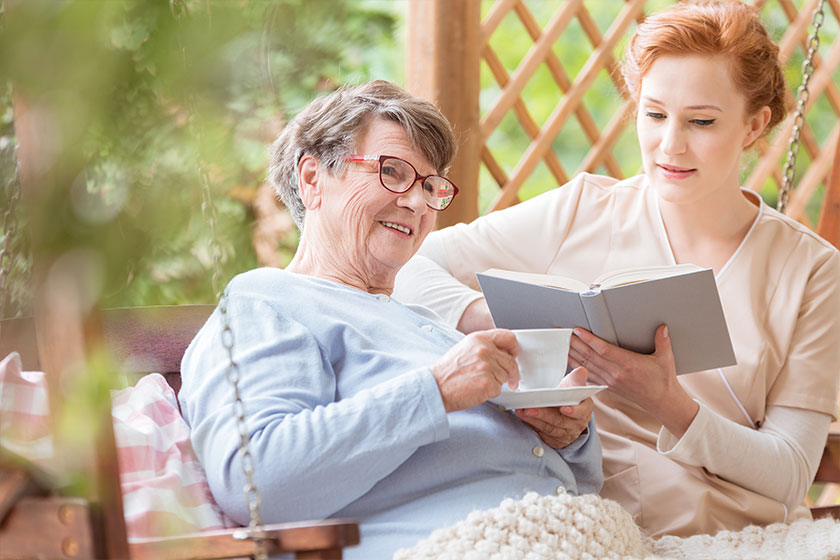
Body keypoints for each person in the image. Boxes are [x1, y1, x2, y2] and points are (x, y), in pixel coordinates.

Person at [394, 1, 840, 538]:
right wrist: (487, 316)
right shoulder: (583, 210)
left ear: (754, 124)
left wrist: (668, 403)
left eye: (701, 121)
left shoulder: (814, 271)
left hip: (747, 537)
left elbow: (791, 473)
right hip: (594, 532)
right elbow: (411, 263)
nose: (669, 145)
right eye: (653, 115)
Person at [178, 80, 602, 559]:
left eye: (430, 186)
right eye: (393, 172)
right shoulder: (266, 302)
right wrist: (435, 390)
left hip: (593, 537)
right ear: (312, 178)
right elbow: (255, 485)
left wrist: (568, 435)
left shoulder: (428, 326)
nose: (419, 203)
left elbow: (578, 481)